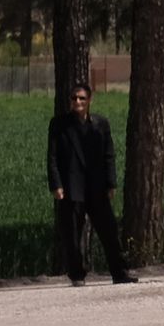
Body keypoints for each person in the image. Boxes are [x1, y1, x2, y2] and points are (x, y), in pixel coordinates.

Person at [47, 84, 133, 286]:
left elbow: (108, 155)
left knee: (109, 232)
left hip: (96, 187)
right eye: (74, 98)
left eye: (82, 99)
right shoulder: (59, 125)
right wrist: (56, 185)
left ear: (89, 101)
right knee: (72, 236)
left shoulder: (100, 124)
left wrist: (111, 183)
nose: (77, 102)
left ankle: (119, 273)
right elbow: (51, 157)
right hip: (71, 187)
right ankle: (77, 275)